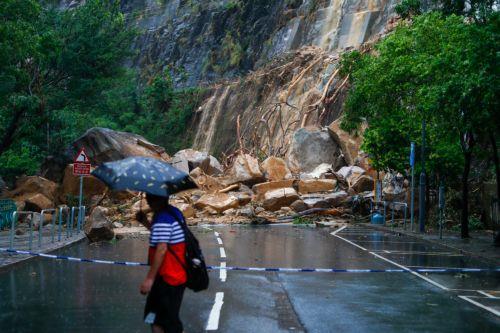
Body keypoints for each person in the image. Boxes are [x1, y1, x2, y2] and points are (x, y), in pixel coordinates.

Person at [136, 193, 187, 333]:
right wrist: (145, 222)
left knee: (163, 322)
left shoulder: (162, 218)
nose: (147, 200)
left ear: (156, 200)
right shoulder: (173, 212)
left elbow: (162, 248)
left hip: (168, 279)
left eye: (149, 198)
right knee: (158, 319)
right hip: (176, 277)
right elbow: (164, 236)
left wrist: (149, 279)